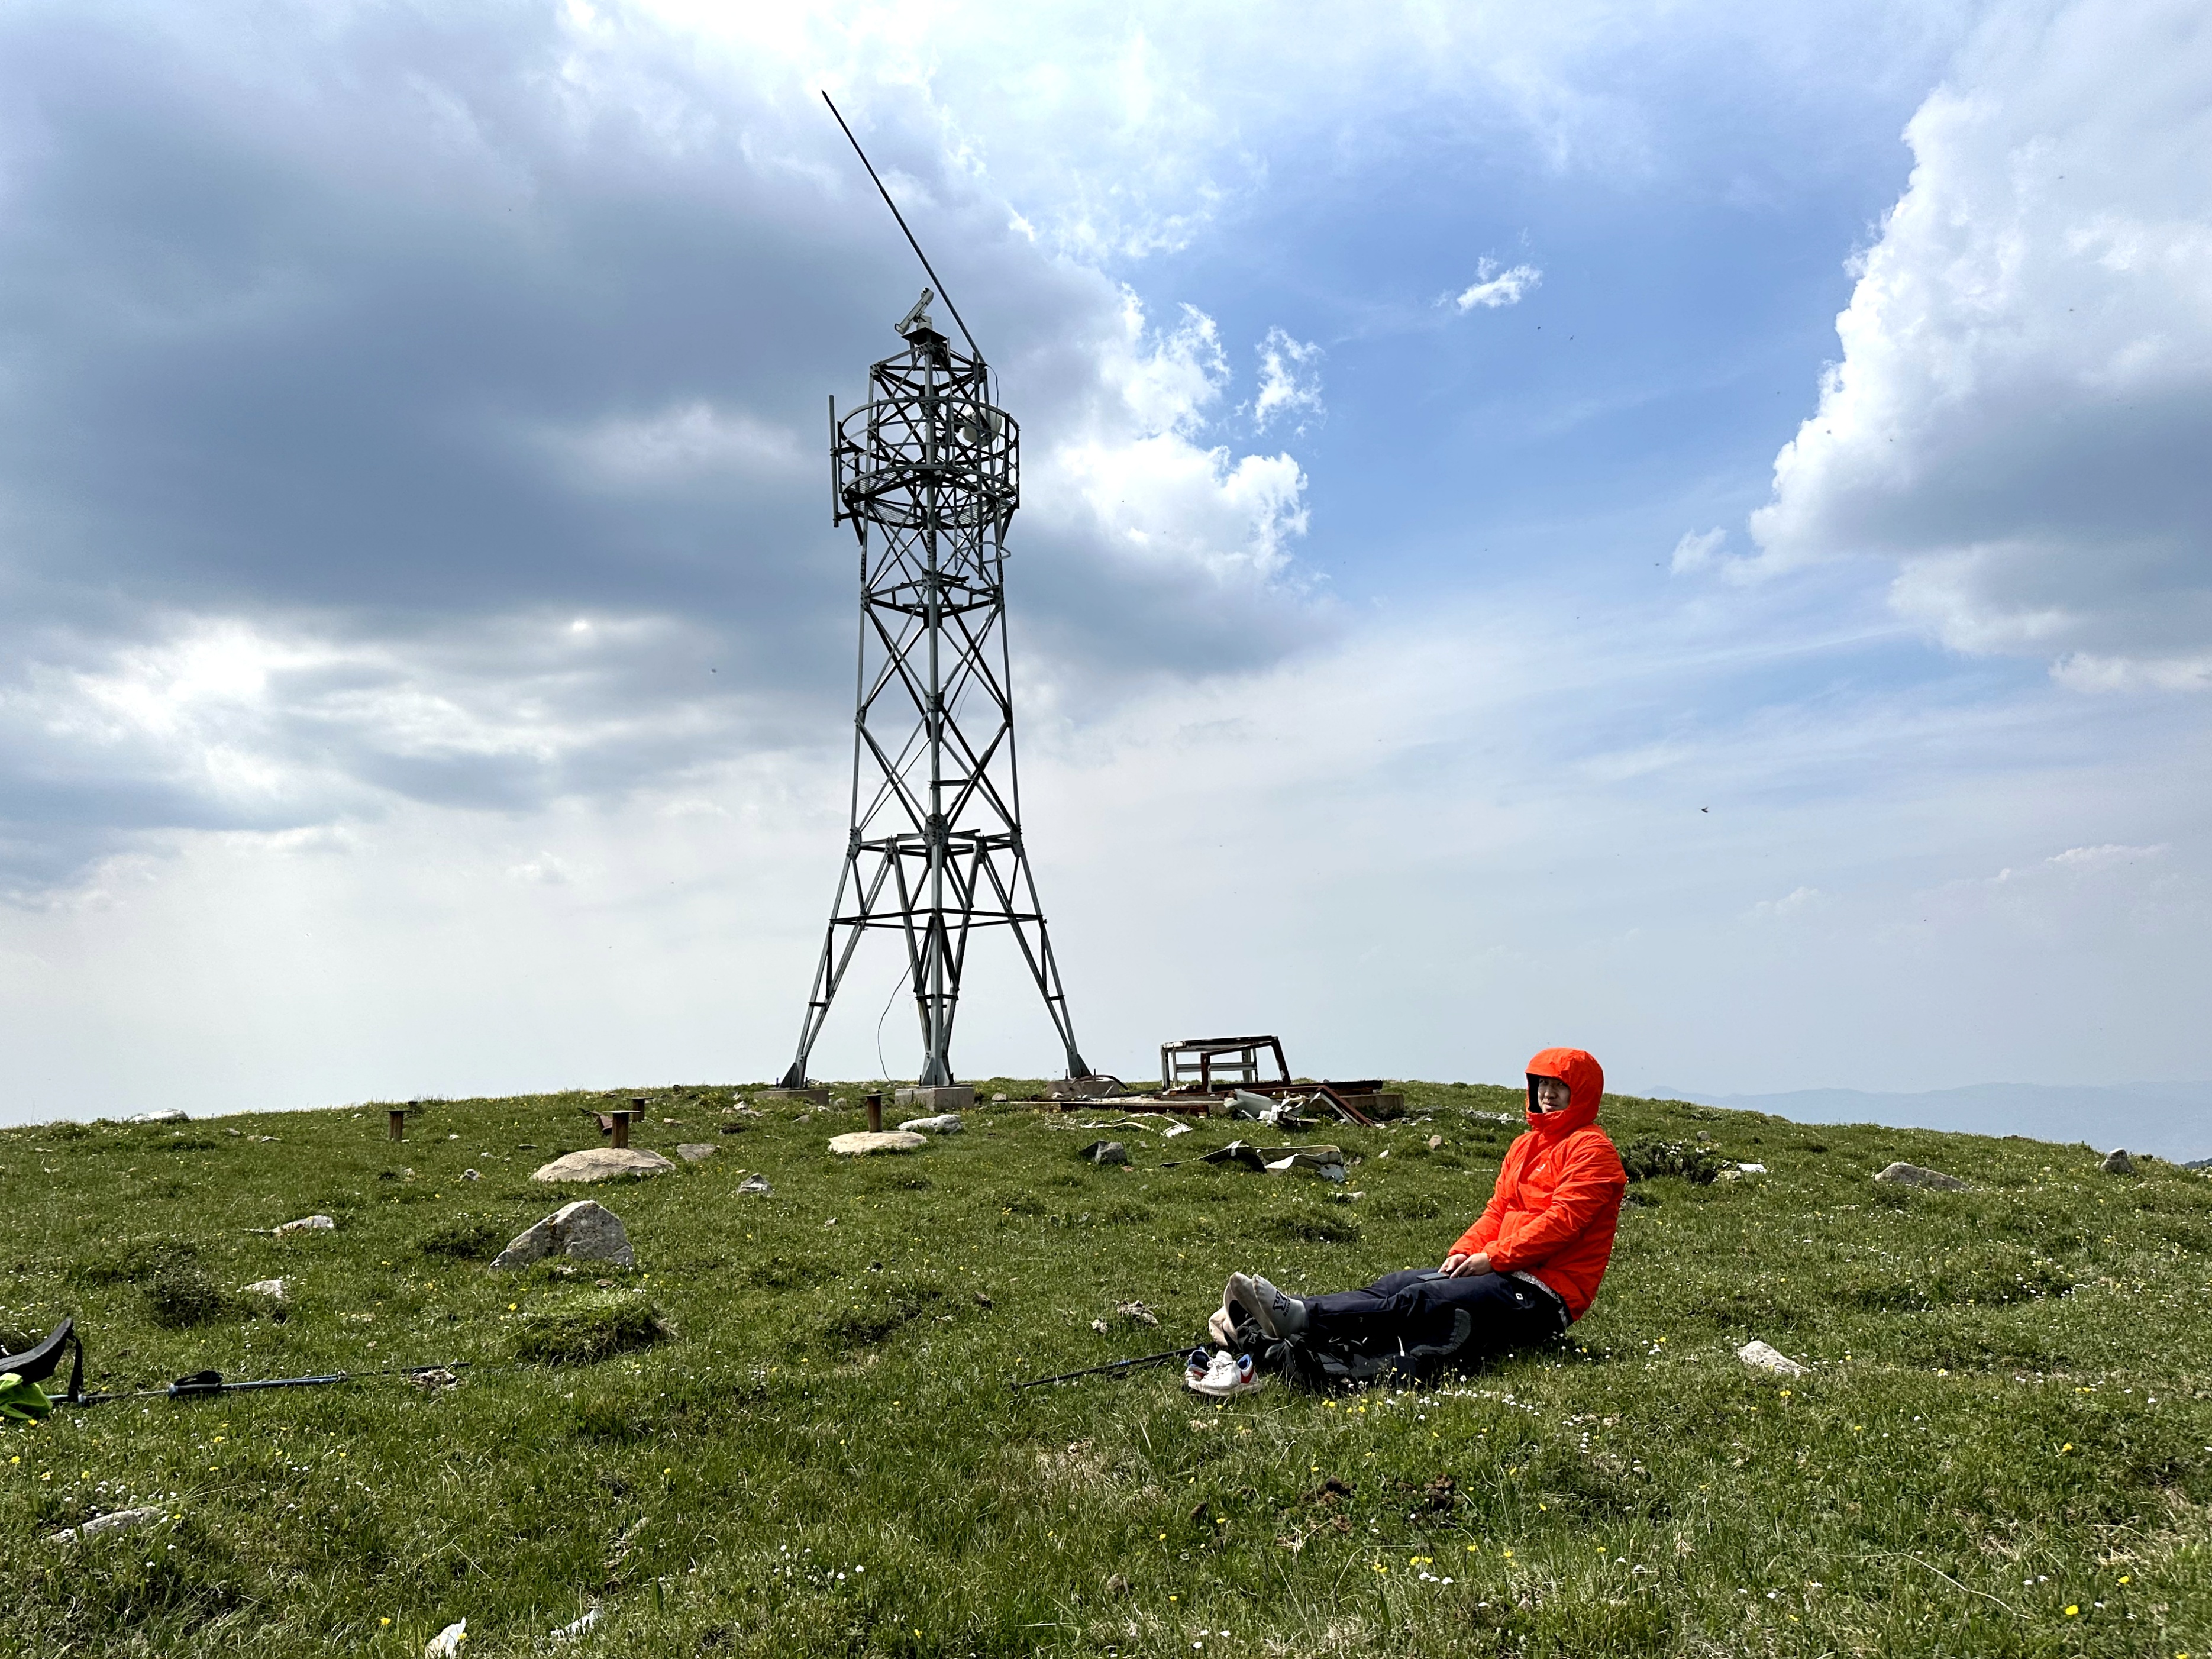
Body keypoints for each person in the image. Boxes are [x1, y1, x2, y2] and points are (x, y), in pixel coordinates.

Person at [1193, 1047, 1627, 1394]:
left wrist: (1490, 1259)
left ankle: (1303, 1316)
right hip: (1505, 1268)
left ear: (1581, 1093)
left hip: (1546, 1294)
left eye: (1559, 1086)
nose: (1548, 1094)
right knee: (1397, 1283)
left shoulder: (1592, 1151)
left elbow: (1562, 1223)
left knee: (1422, 1302)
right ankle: (1291, 1311)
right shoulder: (1524, 1144)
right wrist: (1464, 1252)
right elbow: (1496, 1212)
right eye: (1542, 1084)